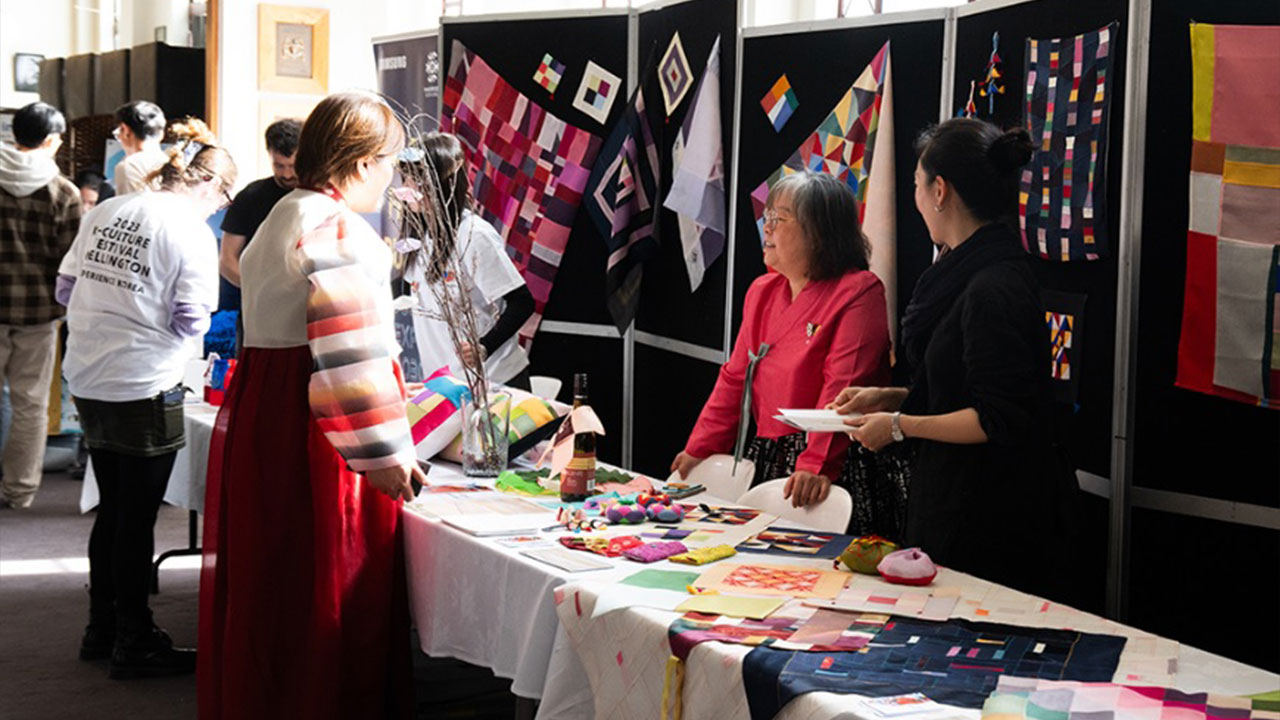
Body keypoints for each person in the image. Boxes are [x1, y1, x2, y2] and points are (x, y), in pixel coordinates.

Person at [199, 92, 418, 719]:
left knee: (275, 582)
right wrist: (381, 452)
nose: (388, 177)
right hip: (321, 428)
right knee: (329, 581)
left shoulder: (282, 215)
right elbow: (348, 352)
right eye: (386, 163)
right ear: (361, 161)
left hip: (268, 409)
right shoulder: (337, 226)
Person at [837, 118, 1077, 601]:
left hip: (993, 517)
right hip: (953, 496)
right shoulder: (963, 269)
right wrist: (894, 396)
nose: (917, 198)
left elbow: (997, 417)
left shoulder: (992, 285)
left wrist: (900, 424)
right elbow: (962, 386)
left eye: (917, 185)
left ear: (940, 190)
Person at [57, 118, 233, 676]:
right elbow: (190, 318)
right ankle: (134, 640)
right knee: (137, 519)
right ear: (208, 186)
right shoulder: (190, 232)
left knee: (112, 510)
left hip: (88, 375)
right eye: (224, 196)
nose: (221, 207)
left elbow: (65, 287)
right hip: (144, 382)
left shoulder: (108, 208)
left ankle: (100, 627)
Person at [672, 171, 891, 510]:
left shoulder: (859, 290)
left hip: (833, 460)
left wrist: (817, 465)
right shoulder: (763, 291)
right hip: (769, 453)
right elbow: (734, 379)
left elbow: (843, 387)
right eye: (768, 216)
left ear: (819, 233)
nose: (768, 227)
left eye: (780, 218)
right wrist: (699, 448)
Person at [400, 132, 534, 388]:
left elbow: (522, 302)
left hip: (493, 381)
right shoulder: (420, 235)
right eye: (405, 177)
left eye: (416, 179)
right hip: (446, 382)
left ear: (441, 182)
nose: (407, 187)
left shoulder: (473, 235)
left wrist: (483, 346)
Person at [0, 102, 82, 509]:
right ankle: (19, 491)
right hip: (38, 314)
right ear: (51, 140)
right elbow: (69, 260)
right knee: (29, 403)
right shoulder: (62, 191)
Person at [217, 117, 302, 298]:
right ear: (269, 155)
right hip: (256, 300)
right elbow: (227, 260)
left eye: (293, 166)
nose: (286, 174)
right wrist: (259, 293)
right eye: (279, 166)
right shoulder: (250, 197)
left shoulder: (317, 197)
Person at [112, 101, 168, 195]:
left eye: (118, 134)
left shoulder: (129, 166)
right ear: (161, 134)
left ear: (125, 130)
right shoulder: (175, 161)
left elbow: (130, 208)